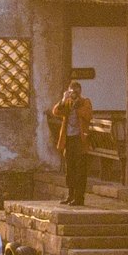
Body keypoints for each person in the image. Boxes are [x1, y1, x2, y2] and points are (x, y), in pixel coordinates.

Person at [49, 73, 96, 207]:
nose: (74, 94)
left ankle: (79, 197)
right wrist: (64, 100)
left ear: (80, 91)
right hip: (69, 139)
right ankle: (70, 195)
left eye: (76, 91)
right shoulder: (67, 103)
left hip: (80, 140)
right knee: (70, 169)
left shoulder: (85, 102)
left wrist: (78, 107)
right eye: (71, 91)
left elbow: (88, 116)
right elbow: (56, 112)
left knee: (80, 169)